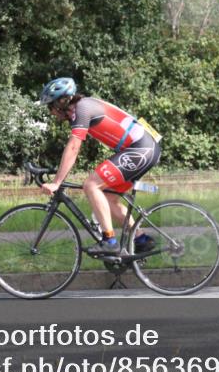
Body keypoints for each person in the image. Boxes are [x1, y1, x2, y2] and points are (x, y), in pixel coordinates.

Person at [38, 77, 161, 256]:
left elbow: (73, 147)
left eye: (50, 107)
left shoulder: (83, 108)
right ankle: (141, 239)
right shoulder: (82, 108)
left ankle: (109, 241)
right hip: (143, 149)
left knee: (91, 185)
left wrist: (57, 182)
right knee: (108, 198)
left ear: (61, 103)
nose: (51, 113)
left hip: (141, 149)